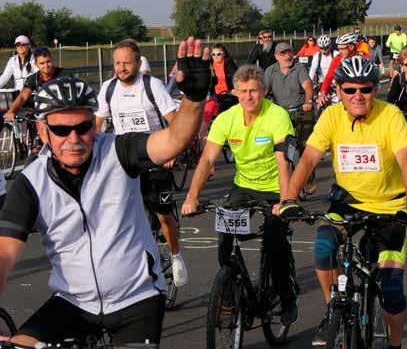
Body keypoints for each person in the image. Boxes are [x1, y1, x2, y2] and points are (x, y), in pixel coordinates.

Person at [0, 38, 211, 347]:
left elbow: (174, 139)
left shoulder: (119, 150)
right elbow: (5, 252)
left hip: (136, 299)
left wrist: (193, 99)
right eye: (60, 130)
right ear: (43, 130)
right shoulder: (31, 182)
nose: (74, 138)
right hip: (73, 302)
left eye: (83, 127)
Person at [279, 55, 407, 349]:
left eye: (365, 89)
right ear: (339, 91)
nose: (358, 96)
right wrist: (290, 199)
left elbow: (406, 159)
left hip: (390, 206)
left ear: (375, 90)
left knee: (392, 290)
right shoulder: (331, 116)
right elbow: (308, 159)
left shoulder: (391, 115)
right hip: (348, 203)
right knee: (322, 247)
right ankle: (334, 309)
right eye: (350, 90)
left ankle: (395, 345)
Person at [181, 64, 300, 326]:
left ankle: (288, 296)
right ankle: (232, 290)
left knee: (274, 240)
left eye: (254, 91)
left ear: (264, 91)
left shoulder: (277, 116)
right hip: (243, 185)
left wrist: (285, 201)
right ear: (235, 92)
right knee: (225, 239)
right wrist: (192, 197)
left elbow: (284, 163)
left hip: (274, 187)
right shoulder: (227, 118)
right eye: (243, 91)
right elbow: (206, 159)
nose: (248, 97)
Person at [94, 39, 188, 287]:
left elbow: (175, 121)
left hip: (155, 157)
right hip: (124, 160)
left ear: (137, 63)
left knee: (164, 216)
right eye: (117, 63)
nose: (121, 67)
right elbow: (97, 126)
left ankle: (176, 256)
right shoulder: (108, 89)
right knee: (119, 215)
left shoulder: (152, 86)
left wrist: (172, 152)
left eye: (126, 62)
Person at [264, 42, 316, 195]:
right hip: (280, 114)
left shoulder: (299, 68)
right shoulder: (270, 71)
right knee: (279, 148)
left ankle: (308, 181)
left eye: (289, 52)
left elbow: (307, 85)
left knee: (306, 147)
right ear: (276, 57)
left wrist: (308, 102)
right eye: (283, 53)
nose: (287, 56)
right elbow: (265, 91)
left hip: (300, 110)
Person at [5, 47, 65, 122]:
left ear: (52, 60)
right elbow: (23, 97)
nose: (46, 65)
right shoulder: (33, 79)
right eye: (42, 63)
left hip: (62, 114)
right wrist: (11, 111)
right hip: (43, 117)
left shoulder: (63, 74)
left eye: (48, 61)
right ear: (36, 65)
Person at [317, 32, 362, 104]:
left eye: (342, 49)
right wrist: (323, 92)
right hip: (341, 93)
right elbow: (329, 77)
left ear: (351, 47)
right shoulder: (337, 59)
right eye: (338, 49)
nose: (340, 52)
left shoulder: (363, 58)